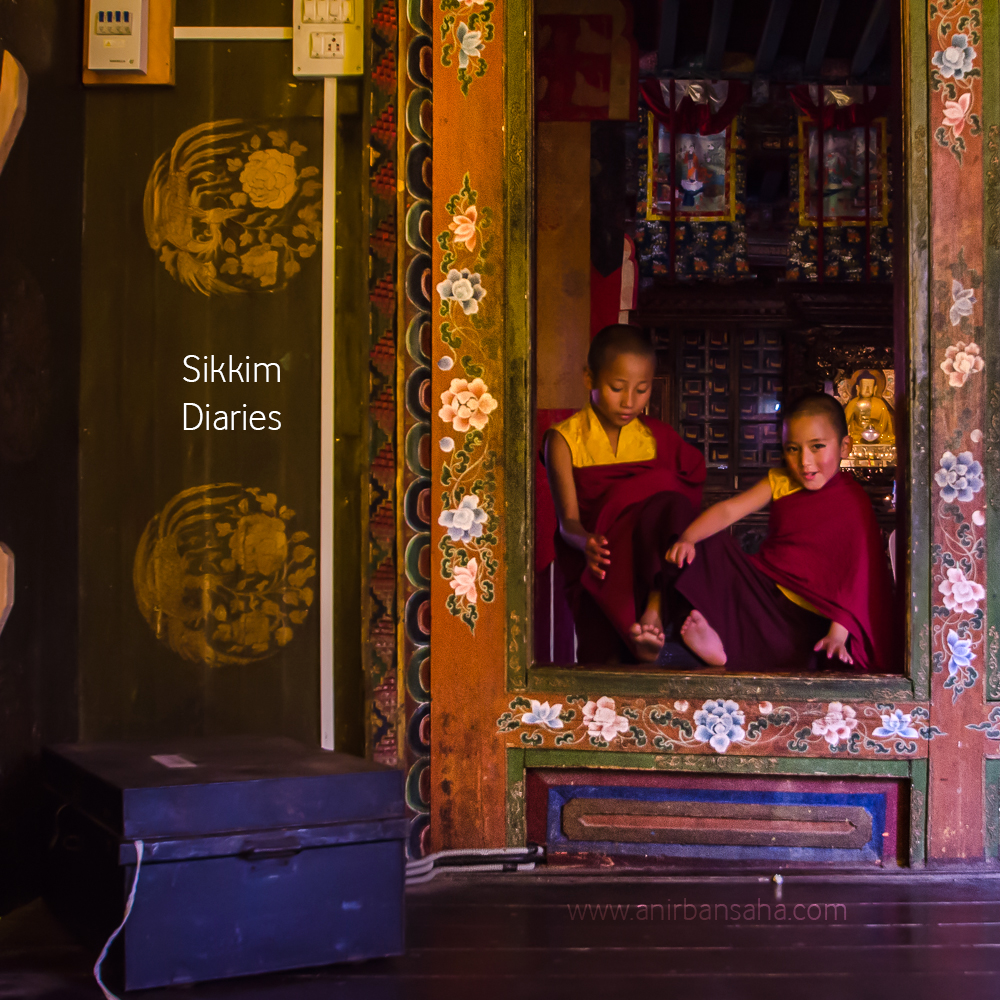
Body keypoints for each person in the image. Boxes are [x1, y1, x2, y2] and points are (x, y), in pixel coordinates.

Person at [666, 392, 896, 673]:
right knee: (705, 543)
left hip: (807, 620)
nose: (804, 462)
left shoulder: (852, 501)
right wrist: (689, 539)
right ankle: (720, 643)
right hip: (765, 593)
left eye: (817, 447)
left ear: (845, 446)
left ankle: (725, 648)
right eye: (792, 449)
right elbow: (728, 512)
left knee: (811, 656)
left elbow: (858, 575)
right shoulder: (782, 481)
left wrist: (837, 634)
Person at [544, 325, 705, 664]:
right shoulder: (563, 439)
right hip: (601, 559)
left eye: (642, 390)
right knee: (604, 664)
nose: (630, 402)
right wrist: (584, 541)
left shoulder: (656, 437)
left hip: (651, 563)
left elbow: (684, 504)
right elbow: (567, 522)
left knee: (671, 505)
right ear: (590, 378)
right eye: (617, 388)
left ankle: (655, 612)